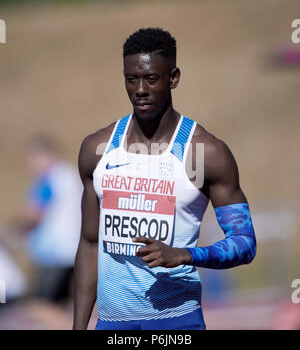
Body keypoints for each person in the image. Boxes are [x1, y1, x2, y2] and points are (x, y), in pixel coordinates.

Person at [73, 28, 257, 330]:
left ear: (173, 78)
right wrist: (79, 327)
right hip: (112, 324)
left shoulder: (204, 154)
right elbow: (90, 243)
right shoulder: (97, 150)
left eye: (151, 79)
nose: (140, 89)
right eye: (131, 79)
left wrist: (184, 255)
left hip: (176, 322)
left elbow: (245, 243)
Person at [15, 135, 82, 303]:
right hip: (71, 249)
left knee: (43, 306)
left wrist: (16, 223)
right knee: (62, 302)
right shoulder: (69, 173)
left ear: (47, 155)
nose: (29, 164)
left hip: (54, 254)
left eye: (32, 157)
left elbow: (35, 212)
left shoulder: (51, 177)